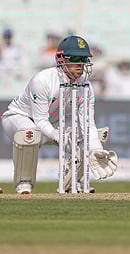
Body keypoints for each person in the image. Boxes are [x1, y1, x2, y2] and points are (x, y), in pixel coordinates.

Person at [1, 35, 118, 194]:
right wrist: (59, 136)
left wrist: (95, 148)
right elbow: (40, 120)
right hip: (20, 117)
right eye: (75, 58)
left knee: (94, 135)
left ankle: (73, 180)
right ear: (61, 59)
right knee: (29, 133)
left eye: (84, 59)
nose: (80, 64)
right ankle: (24, 183)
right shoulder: (42, 80)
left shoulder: (86, 86)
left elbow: (87, 123)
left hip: (54, 122)